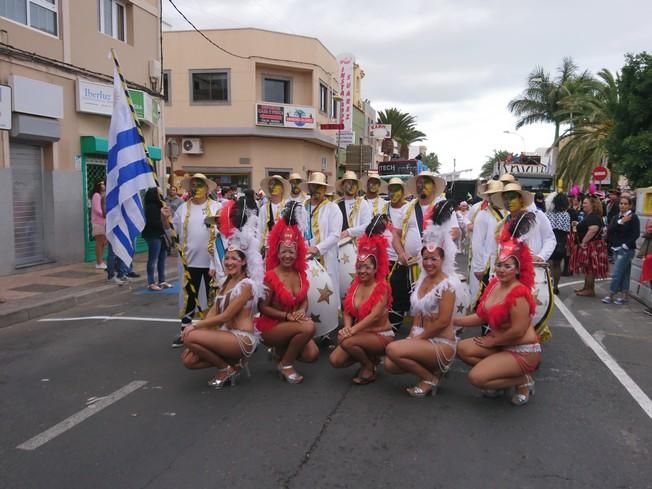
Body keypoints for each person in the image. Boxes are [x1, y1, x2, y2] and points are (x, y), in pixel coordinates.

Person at [455, 211, 541, 406]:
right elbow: (480, 317)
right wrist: (454, 320)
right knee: (462, 348)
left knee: (476, 378)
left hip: (521, 350)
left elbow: (518, 331)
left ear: (518, 269)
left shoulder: (519, 293)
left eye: (507, 266)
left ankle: (524, 380)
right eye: (499, 265)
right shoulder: (494, 284)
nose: (501, 269)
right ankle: (499, 377)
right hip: (501, 344)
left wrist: (493, 341)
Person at [384, 203, 469, 397]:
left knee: (393, 350)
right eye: (426, 258)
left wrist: (417, 339)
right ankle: (431, 371)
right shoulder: (422, 280)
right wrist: (411, 335)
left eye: (434, 259)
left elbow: (442, 322)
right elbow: (418, 313)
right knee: (390, 364)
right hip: (423, 337)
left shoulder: (448, 285)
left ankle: (429, 379)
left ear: (443, 260)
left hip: (441, 342)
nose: (429, 263)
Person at [181, 194, 264, 388]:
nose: (229, 262)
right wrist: (200, 329)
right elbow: (214, 312)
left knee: (191, 335)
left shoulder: (247, 285)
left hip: (242, 339)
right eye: (227, 258)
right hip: (227, 335)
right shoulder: (226, 282)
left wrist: (196, 326)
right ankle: (232, 364)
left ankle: (225, 368)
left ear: (243, 262)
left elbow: (225, 315)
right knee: (188, 360)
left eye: (235, 259)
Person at [256, 201, 319, 383]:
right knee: (309, 327)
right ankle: (286, 364)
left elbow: (304, 300)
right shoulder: (270, 276)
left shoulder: (300, 274)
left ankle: (280, 353)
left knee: (312, 355)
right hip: (271, 326)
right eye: (284, 251)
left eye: (291, 251)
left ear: (297, 252)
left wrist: (300, 310)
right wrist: (287, 316)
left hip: (293, 323)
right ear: (277, 252)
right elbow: (263, 307)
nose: (287, 256)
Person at [329, 216, 394, 384]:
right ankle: (370, 358)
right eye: (359, 266)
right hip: (360, 333)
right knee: (335, 360)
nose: (362, 271)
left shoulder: (382, 287)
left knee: (347, 341)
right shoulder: (355, 284)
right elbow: (348, 309)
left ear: (375, 268)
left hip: (380, 335)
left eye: (367, 267)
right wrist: (347, 327)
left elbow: (374, 316)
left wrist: (351, 332)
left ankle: (368, 366)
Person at [172, 173, 221, 348]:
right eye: (193, 185)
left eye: (200, 185)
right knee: (189, 296)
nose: (196, 188)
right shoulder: (182, 209)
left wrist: (217, 262)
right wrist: (165, 219)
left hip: (211, 264)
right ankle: (185, 331)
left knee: (210, 297)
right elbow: (173, 231)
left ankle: (209, 331)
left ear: (207, 188)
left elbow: (222, 235)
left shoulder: (217, 208)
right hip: (188, 262)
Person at [383, 177, 421, 332]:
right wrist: (401, 253)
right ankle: (394, 324)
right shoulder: (385, 208)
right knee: (396, 291)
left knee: (420, 294)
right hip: (396, 259)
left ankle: (420, 326)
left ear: (404, 192)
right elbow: (395, 235)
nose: (393, 193)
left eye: (396, 189)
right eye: (390, 189)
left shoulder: (432, 207)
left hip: (423, 263)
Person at [301, 172, 343, 301]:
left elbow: (335, 235)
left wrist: (317, 248)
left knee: (327, 291)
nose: (316, 190)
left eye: (320, 187)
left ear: (325, 189)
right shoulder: (302, 206)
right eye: (313, 186)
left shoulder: (333, 208)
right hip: (305, 256)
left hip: (325, 257)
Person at [469, 179, 505, 302]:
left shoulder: (508, 213)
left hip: (504, 261)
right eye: (493, 194)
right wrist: (479, 268)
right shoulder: (483, 215)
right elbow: (477, 243)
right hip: (488, 263)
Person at [602, 195, 640, 304]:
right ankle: (624, 296)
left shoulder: (633, 217)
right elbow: (610, 230)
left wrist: (625, 245)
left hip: (626, 250)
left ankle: (611, 295)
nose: (622, 206)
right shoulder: (616, 217)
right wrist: (620, 222)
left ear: (630, 205)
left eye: (625, 204)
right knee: (624, 273)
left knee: (617, 272)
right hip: (616, 248)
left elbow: (635, 234)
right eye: (621, 203)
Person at [571, 195, 609, 297]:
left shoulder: (593, 217)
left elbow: (593, 229)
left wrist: (584, 241)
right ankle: (586, 288)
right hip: (592, 244)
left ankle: (589, 289)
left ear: (592, 205)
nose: (583, 205)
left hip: (591, 245)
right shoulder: (592, 216)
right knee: (588, 268)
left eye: (585, 203)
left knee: (590, 268)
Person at [142, 188, 172, 291]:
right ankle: (151, 282)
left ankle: (162, 280)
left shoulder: (159, 206)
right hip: (153, 235)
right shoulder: (151, 207)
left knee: (162, 258)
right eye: (159, 194)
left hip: (160, 234)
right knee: (153, 259)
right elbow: (153, 222)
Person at [546, 193, 571, 295]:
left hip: (550, 240)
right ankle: (556, 286)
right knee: (557, 264)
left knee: (549, 264)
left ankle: (549, 284)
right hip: (561, 241)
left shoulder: (548, 214)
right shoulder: (566, 215)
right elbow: (567, 230)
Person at [257, 175, 290, 253]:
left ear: (282, 188)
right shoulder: (264, 208)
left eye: (276, 184)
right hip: (269, 248)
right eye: (271, 184)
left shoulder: (289, 206)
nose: (273, 186)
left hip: (285, 249)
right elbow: (260, 230)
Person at [336, 171, 372, 241]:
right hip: (339, 246)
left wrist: (349, 232)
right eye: (349, 183)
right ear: (343, 185)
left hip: (358, 246)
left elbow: (367, 225)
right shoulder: (336, 204)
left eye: (354, 183)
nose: (352, 186)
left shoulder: (362, 203)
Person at [90, 181, 107, 270]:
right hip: (98, 222)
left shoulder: (101, 195)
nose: (104, 186)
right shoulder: (96, 195)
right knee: (100, 243)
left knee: (103, 242)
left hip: (102, 222)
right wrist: (105, 214)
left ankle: (100, 261)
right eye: (102, 184)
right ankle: (99, 262)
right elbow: (97, 209)